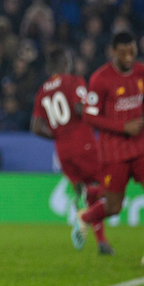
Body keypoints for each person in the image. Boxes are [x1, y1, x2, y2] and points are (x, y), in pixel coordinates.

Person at [78, 31, 144, 267]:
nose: (129, 56)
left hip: (141, 143)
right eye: (123, 52)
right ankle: (85, 216)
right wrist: (122, 126)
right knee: (113, 206)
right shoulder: (100, 79)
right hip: (113, 149)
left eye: (132, 51)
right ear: (112, 53)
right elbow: (89, 117)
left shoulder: (143, 72)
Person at [31, 48, 112, 254]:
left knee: (91, 195)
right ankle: (83, 215)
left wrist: (57, 135)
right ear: (66, 62)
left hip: (62, 151)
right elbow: (79, 108)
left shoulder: (42, 90)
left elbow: (35, 127)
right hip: (83, 143)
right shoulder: (74, 81)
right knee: (111, 188)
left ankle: (101, 242)